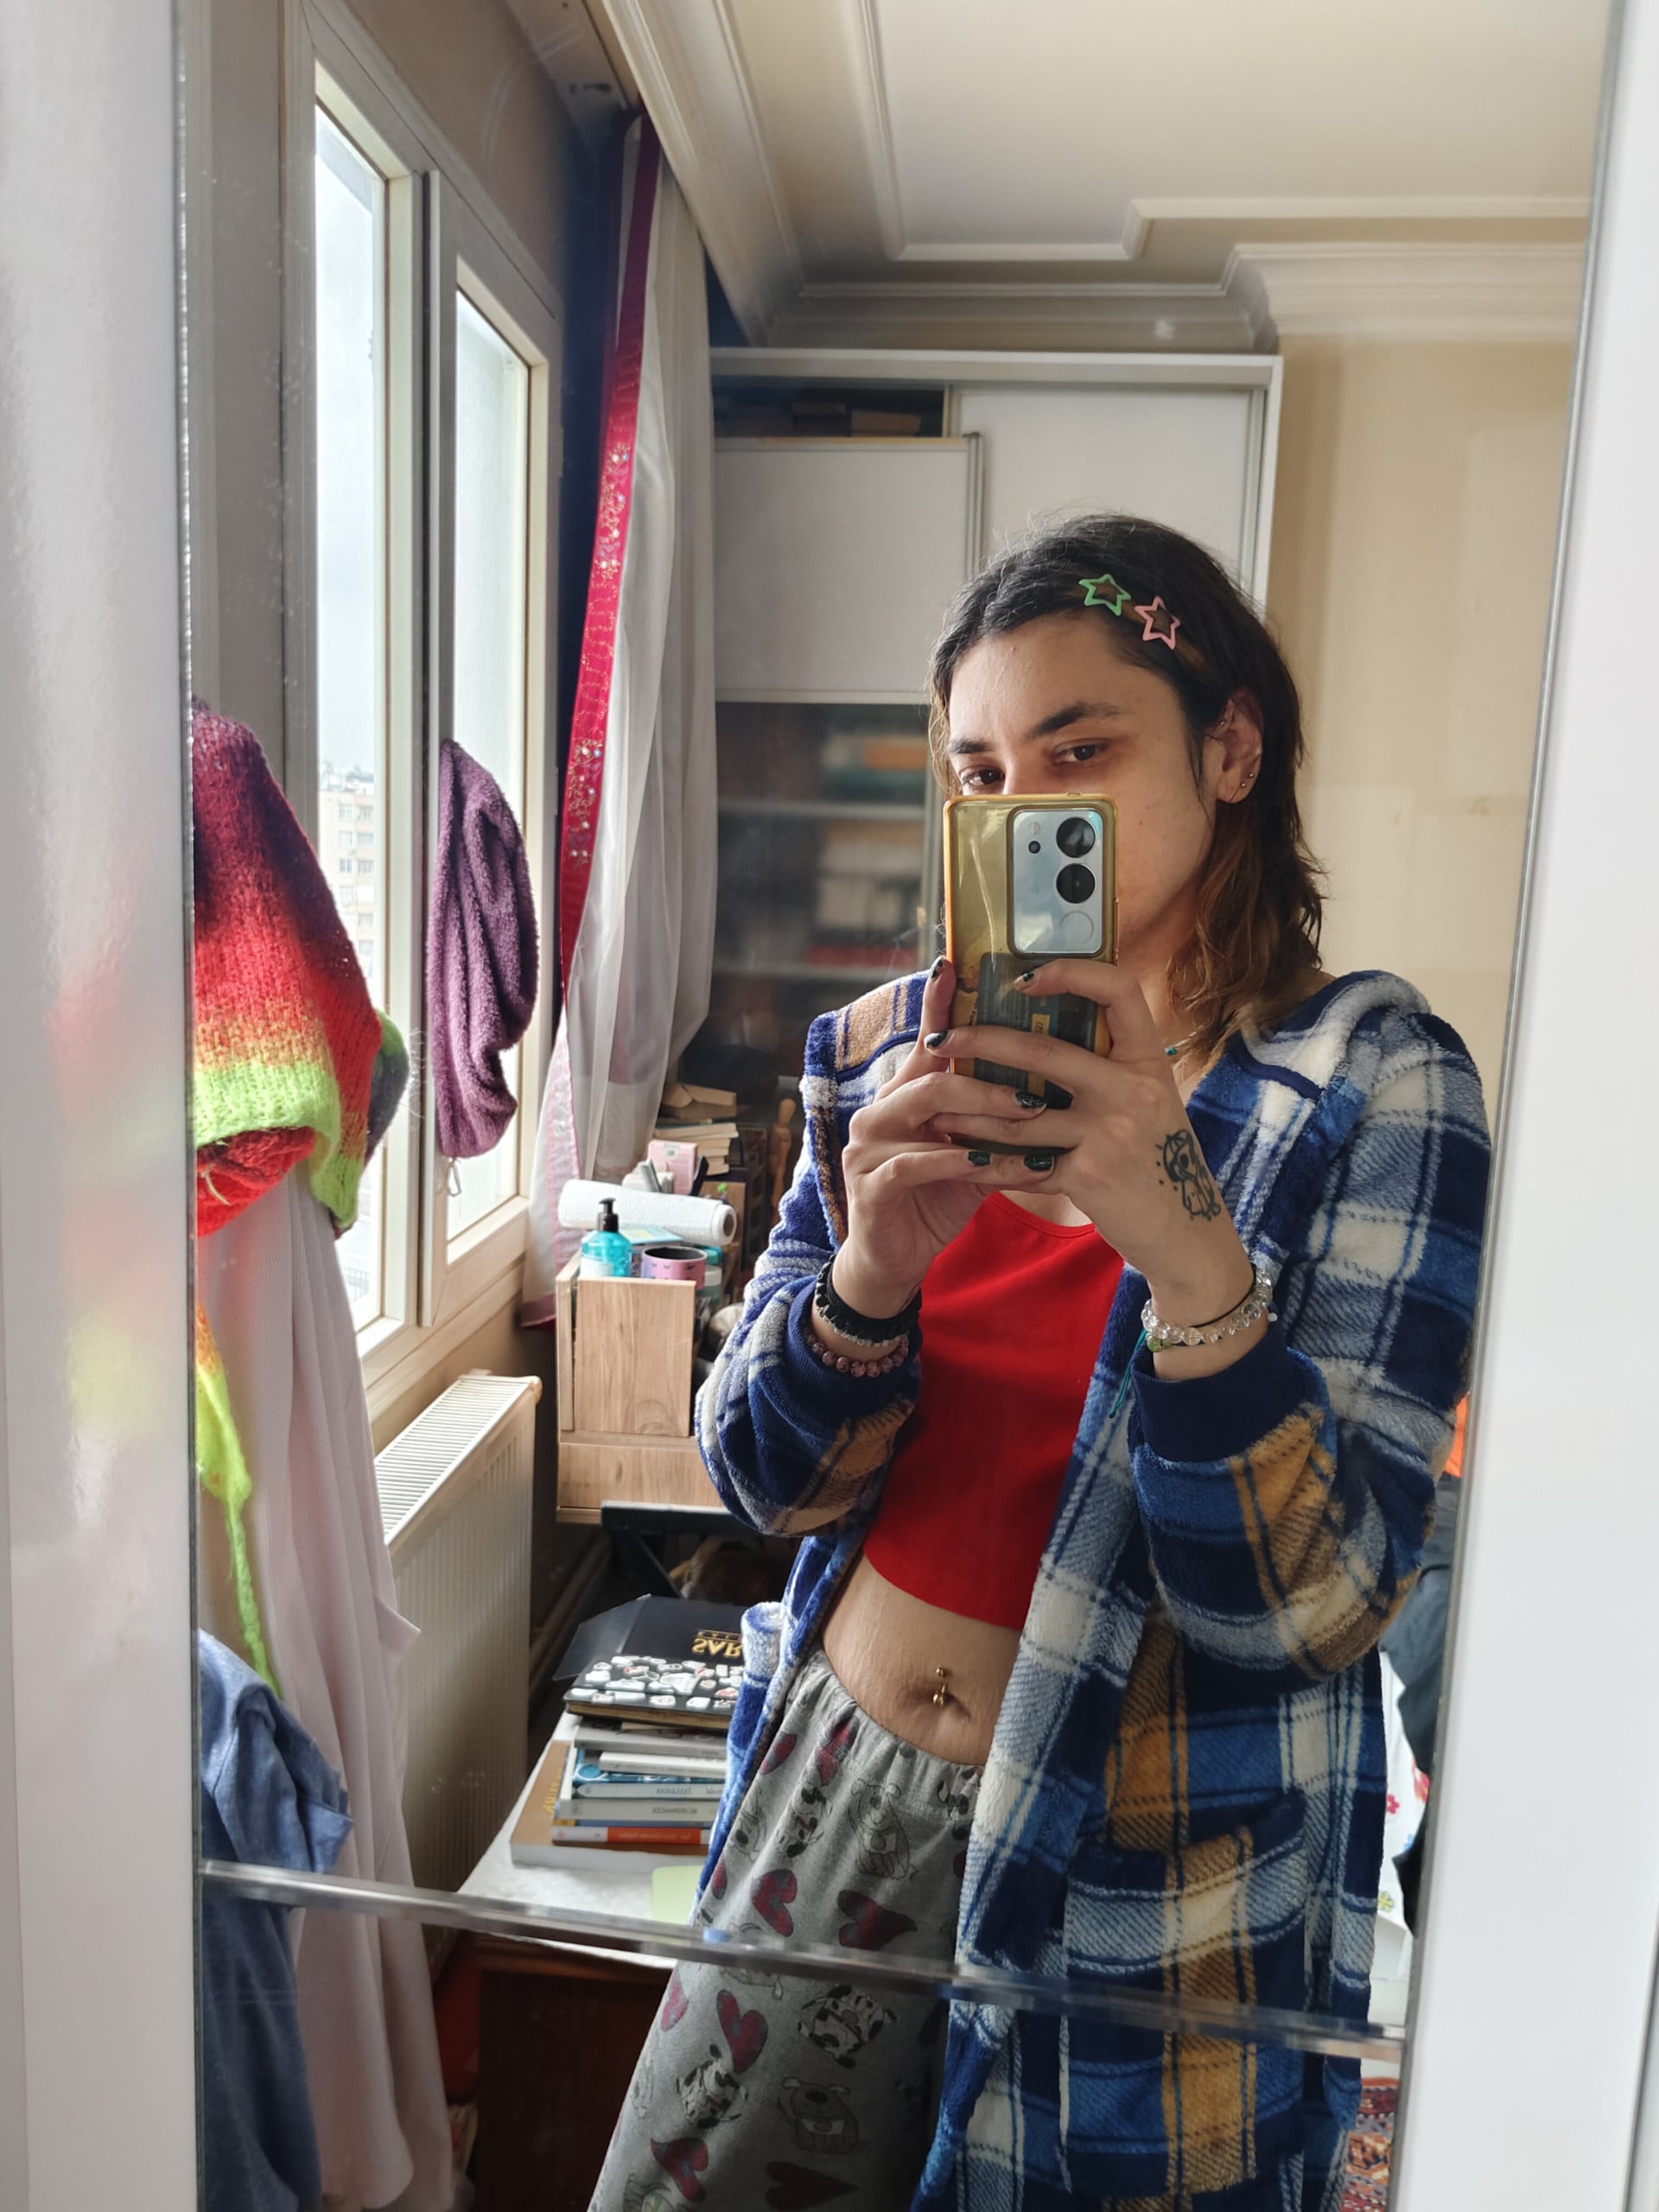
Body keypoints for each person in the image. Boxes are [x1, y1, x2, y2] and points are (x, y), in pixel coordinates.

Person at [591, 517, 1489, 2211]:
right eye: (984, 771)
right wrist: (870, 1279)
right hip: (840, 1797)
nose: (1028, 812)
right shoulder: (883, 1052)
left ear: (1232, 748)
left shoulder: (1376, 1082)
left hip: (1147, 1878)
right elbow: (757, 1475)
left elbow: (1316, 1606)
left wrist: (1187, 1250)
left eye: (1081, 753)